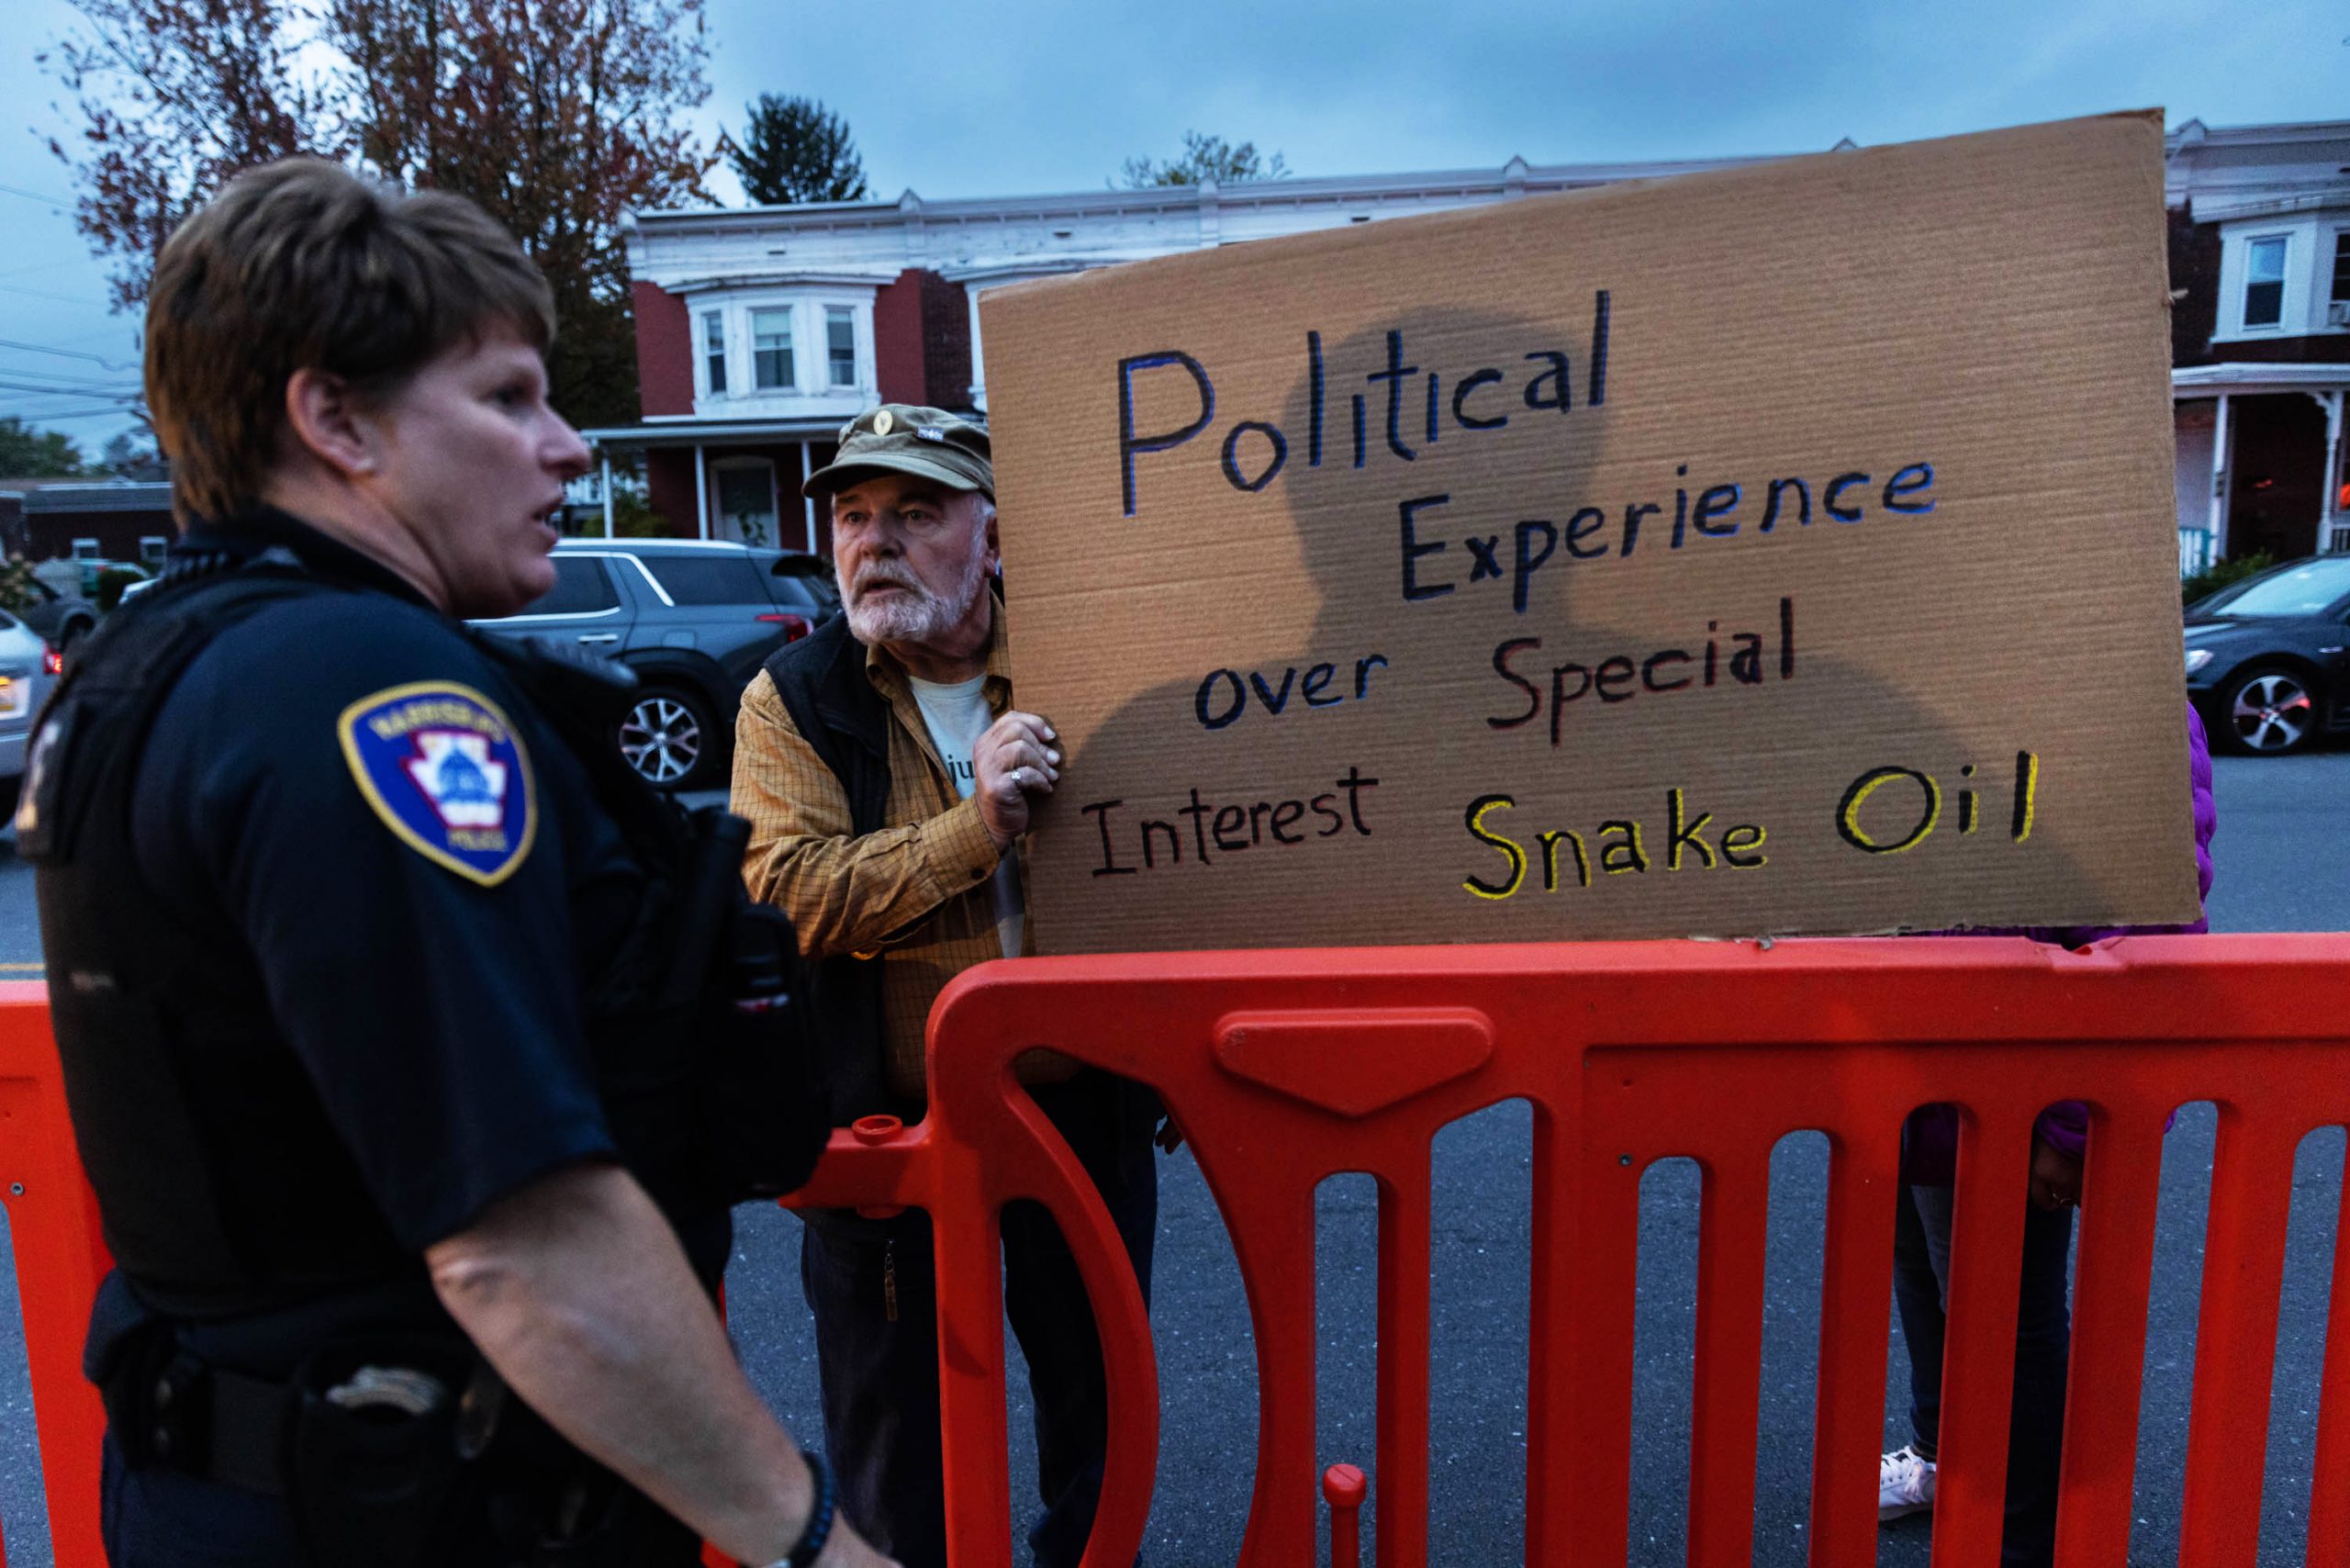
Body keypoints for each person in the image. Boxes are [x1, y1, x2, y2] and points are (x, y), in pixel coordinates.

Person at [24, 159, 892, 1568]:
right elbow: (521, 1238)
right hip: (423, 1507)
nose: (568, 448)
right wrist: (810, 1547)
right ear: (334, 419)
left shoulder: (141, 665)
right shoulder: (367, 693)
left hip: (236, 1484)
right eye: (504, 398)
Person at [733, 406, 1162, 1568]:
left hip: (1082, 1110)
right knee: (889, 1434)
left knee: (1103, 1412)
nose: (872, 542)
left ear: (994, 534)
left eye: (916, 513)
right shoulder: (793, 696)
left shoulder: (1096, 656)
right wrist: (973, 829)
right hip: (885, 1127)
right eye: (854, 515)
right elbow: (788, 896)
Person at [1879, 705, 2218, 1564]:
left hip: (2012, 1094)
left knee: (2008, 1312)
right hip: (1908, 1075)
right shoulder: (1913, 677)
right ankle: (1939, 1454)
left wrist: (2071, 1126)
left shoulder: (2098, 686)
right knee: (1924, 1271)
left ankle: (2022, 1536)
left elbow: (2146, 930)